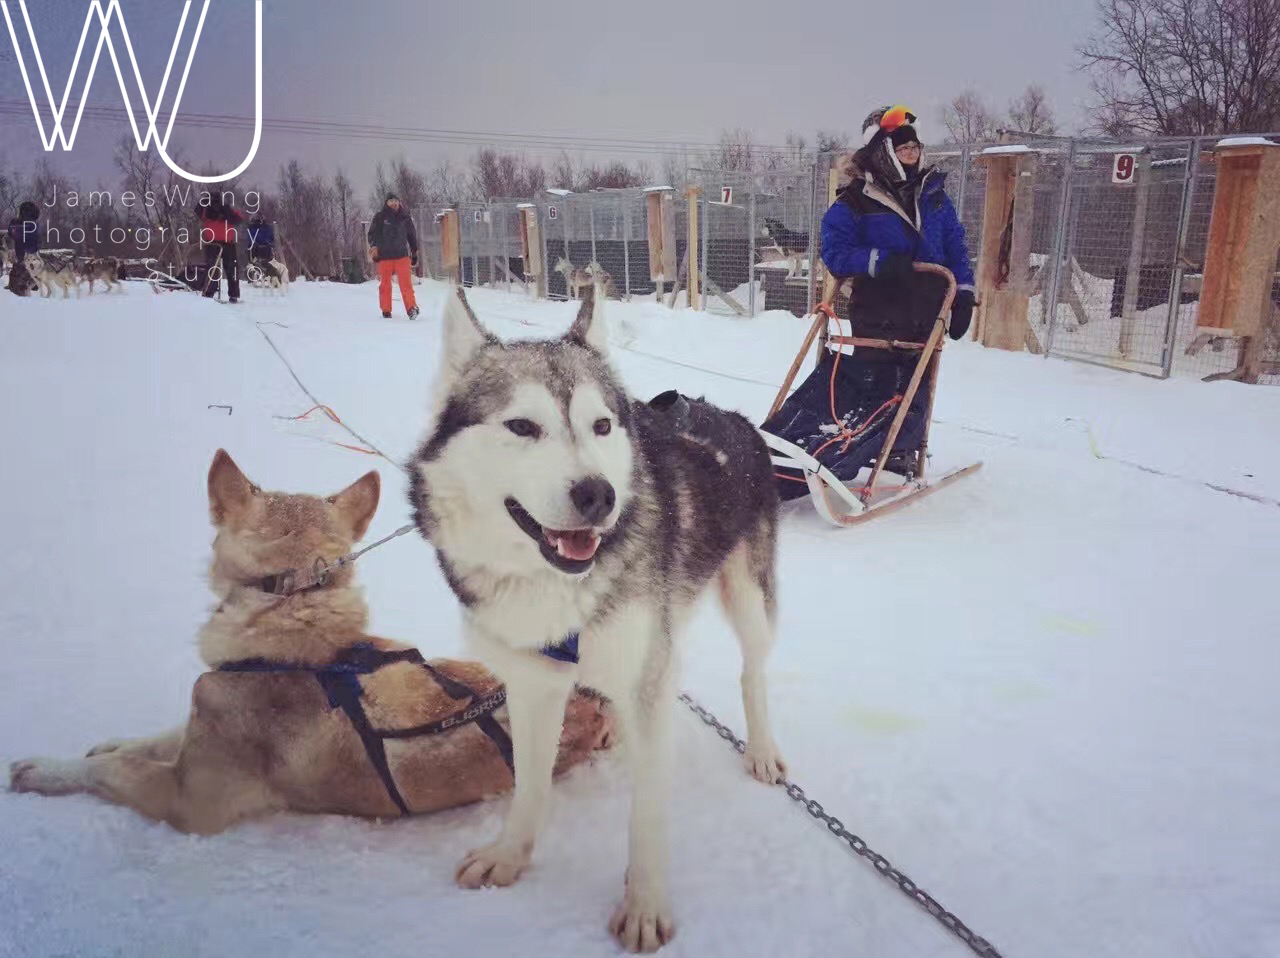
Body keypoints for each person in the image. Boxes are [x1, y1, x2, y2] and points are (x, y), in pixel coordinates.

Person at [820, 105, 976, 340]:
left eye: (915, 146)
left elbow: (955, 246)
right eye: (904, 148)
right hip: (877, 311)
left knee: (919, 377)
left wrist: (964, 290)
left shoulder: (934, 196)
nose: (912, 153)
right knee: (876, 376)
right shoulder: (858, 198)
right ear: (884, 151)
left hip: (927, 311)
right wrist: (879, 261)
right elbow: (835, 251)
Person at [367, 193, 420, 319]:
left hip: (402, 256)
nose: (394, 203)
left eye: (396, 200)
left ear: (399, 202)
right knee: (385, 284)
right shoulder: (380, 217)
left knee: (406, 284)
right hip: (384, 257)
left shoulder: (405, 217)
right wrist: (374, 248)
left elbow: (411, 236)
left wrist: (414, 252)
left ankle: (411, 308)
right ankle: (386, 310)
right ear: (386, 203)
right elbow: (372, 234)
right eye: (391, 201)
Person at [196, 195, 246, 303]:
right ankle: (233, 295)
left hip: (211, 242)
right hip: (227, 243)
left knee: (211, 269)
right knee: (231, 270)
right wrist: (227, 210)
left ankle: (209, 292)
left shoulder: (206, 210)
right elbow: (239, 219)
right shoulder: (228, 210)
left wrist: (202, 202)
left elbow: (197, 211)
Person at [5, 200, 40, 296]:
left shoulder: (29, 226)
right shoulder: (33, 225)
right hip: (27, 258)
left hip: (26, 259)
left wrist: (14, 224)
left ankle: (23, 288)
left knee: (20, 284)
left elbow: (13, 233)